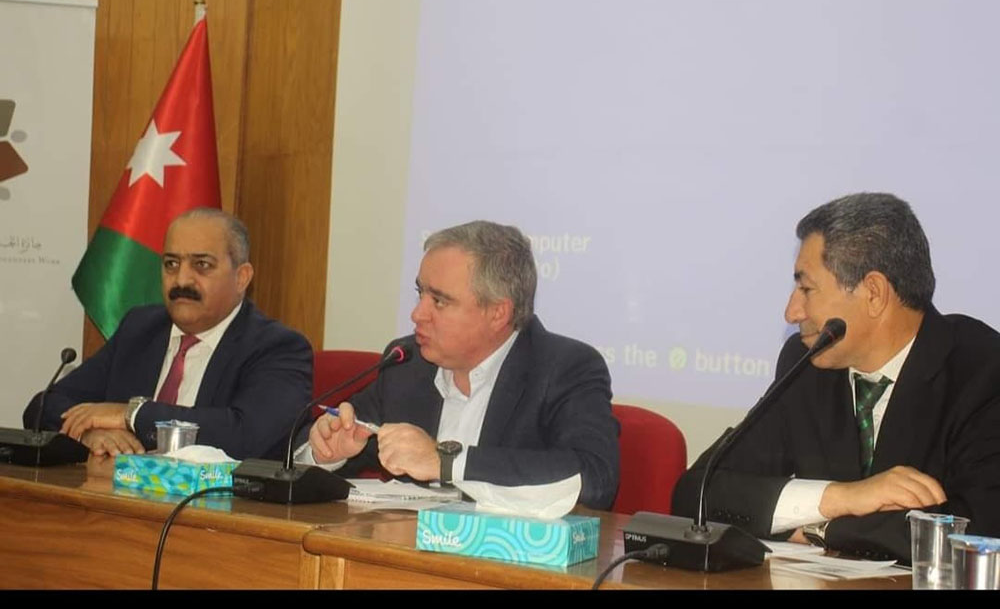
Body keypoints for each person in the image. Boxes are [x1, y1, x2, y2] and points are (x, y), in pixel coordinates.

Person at [673, 192, 1000, 561]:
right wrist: (841, 498)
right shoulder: (805, 364)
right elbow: (695, 493)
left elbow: (980, 531)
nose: (791, 312)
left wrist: (821, 528)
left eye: (806, 288)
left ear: (873, 293)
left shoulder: (984, 371)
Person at [302, 220, 620, 509]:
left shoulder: (563, 368)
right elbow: (322, 447)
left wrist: (446, 462)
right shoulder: (407, 363)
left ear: (498, 313)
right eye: (420, 293)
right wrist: (326, 453)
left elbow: (594, 478)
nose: (417, 314)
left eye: (439, 301)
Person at [23, 208, 312, 460]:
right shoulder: (141, 329)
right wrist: (90, 432)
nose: (182, 279)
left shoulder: (277, 347)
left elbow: (245, 436)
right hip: (117, 497)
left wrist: (131, 415)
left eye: (202, 265)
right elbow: (44, 405)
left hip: (211, 504)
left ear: (241, 277)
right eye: (171, 264)